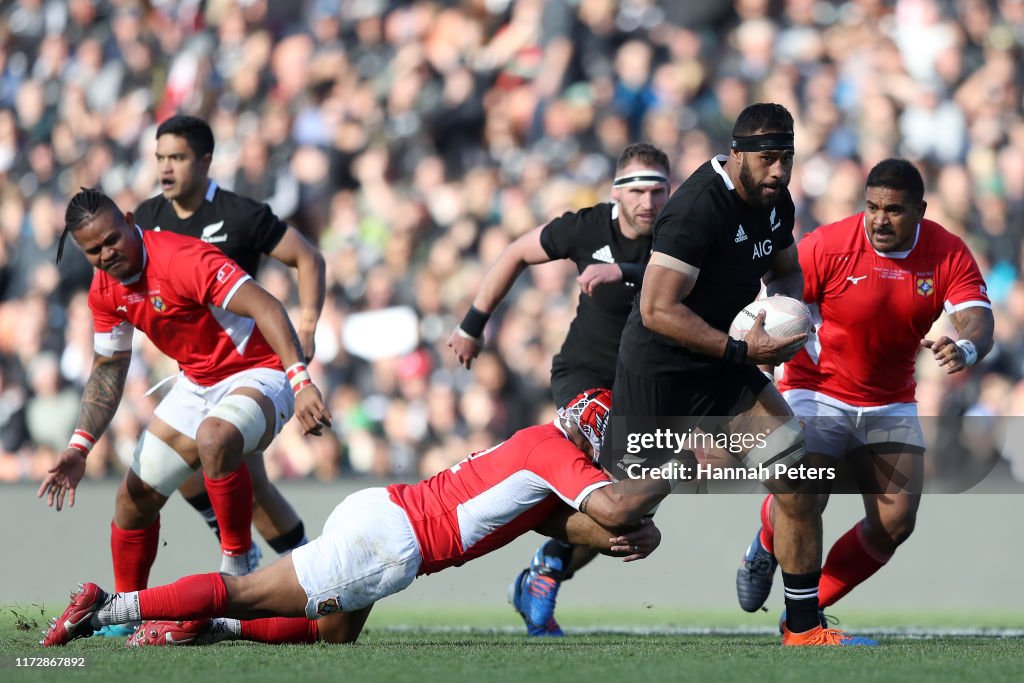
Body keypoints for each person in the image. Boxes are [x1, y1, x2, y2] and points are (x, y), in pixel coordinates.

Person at [41, 389, 668, 648]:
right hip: (395, 541)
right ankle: (110, 606)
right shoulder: (554, 451)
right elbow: (610, 505)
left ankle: (197, 627)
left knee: (334, 635)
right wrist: (678, 472)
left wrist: (616, 536)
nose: (612, 462)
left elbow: (554, 520)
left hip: (383, 512)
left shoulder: (539, 446)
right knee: (250, 591)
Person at [601, 102, 875, 646]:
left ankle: (803, 629)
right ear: (738, 154)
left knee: (795, 476)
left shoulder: (777, 204)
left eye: (787, 159)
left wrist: (786, 318)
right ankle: (545, 545)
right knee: (622, 513)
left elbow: (787, 270)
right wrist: (738, 348)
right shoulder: (696, 210)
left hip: (727, 368)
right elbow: (658, 310)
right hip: (661, 373)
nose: (778, 171)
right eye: (768, 158)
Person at [39, 189, 332, 630]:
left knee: (215, 438)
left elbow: (267, 306)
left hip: (262, 371)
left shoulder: (182, 258)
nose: (106, 254)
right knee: (132, 499)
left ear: (130, 220)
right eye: (93, 250)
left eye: (111, 240)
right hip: (197, 384)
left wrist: (301, 380)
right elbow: (108, 369)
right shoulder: (104, 290)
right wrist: (80, 447)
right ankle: (125, 612)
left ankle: (238, 562)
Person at [734, 159, 994, 621]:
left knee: (895, 523)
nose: (879, 219)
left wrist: (967, 347)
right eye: (872, 206)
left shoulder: (947, 252)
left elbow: (978, 316)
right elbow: (777, 299)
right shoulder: (829, 245)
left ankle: (809, 606)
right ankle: (769, 546)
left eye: (893, 210)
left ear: (920, 210)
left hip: (890, 398)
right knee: (807, 497)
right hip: (815, 388)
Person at [448, 142, 671, 636]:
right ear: (617, 193)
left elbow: (695, 284)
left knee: (627, 512)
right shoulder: (587, 227)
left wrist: (625, 273)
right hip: (584, 376)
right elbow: (515, 252)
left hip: (647, 390)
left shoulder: (680, 234)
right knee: (603, 460)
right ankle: (541, 567)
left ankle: (543, 570)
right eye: (637, 190)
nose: (648, 202)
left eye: (658, 189)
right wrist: (471, 324)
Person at [134, 115, 325, 567]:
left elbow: (307, 257)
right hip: (195, 371)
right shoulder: (147, 218)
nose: (165, 168)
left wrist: (309, 325)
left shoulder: (240, 215)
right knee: (205, 473)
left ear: (205, 161)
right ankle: (300, 570)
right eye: (160, 158)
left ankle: (288, 570)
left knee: (228, 471)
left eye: (176, 158)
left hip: (248, 368)